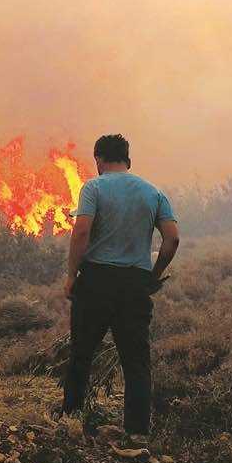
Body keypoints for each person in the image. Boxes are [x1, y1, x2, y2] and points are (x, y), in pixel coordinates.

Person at [62, 134, 180, 440]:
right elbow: (172, 239)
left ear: (99, 159)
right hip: (134, 285)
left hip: (96, 281)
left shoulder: (94, 187)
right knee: (136, 361)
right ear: (127, 159)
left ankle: (71, 422)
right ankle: (137, 433)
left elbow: (82, 231)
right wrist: (153, 274)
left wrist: (71, 274)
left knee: (81, 355)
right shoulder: (153, 193)